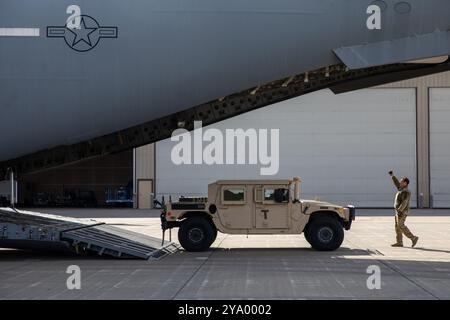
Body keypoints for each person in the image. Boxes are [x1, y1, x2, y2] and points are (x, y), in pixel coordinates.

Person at [389, 170, 419, 247]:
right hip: (398, 211)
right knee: (397, 226)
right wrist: (392, 176)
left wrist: (399, 210)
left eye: (401, 182)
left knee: (401, 225)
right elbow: (396, 183)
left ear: (405, 183)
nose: (400, 183)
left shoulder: (406, 191)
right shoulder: (401, 189)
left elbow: (404, 202)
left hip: (402, 212)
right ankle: (399, 242)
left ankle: (413, 238)